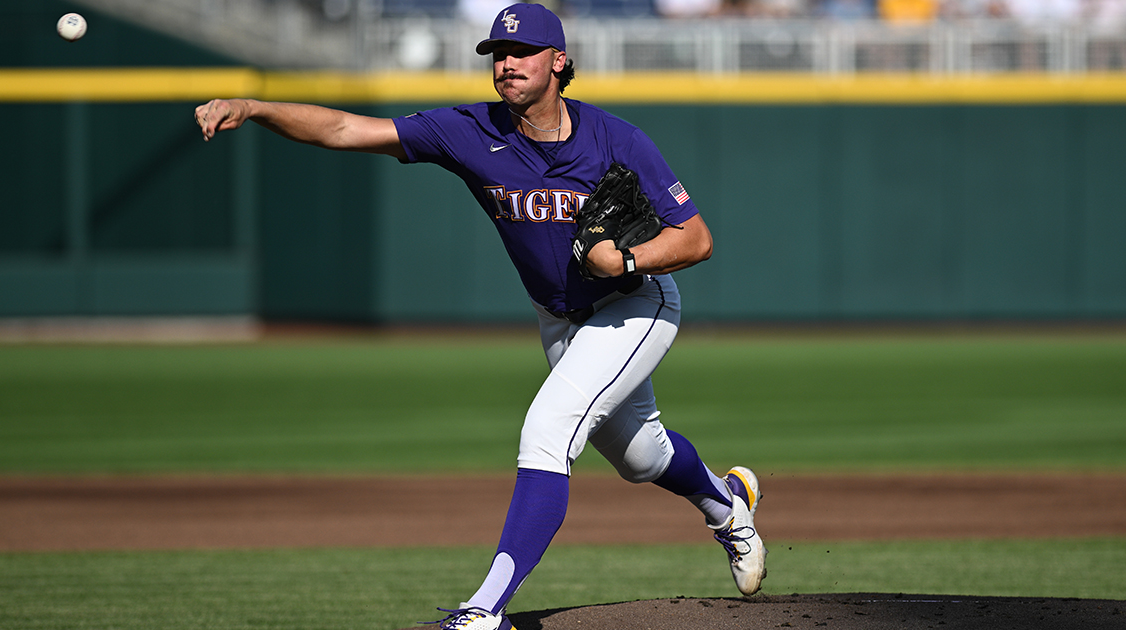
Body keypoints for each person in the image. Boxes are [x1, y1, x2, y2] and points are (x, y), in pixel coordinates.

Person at [195, 4, 766, 629]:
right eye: (497, 53)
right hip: (560, 316)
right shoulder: (468, 130)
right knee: (640, 458)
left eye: (520, 53)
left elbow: (696, 238)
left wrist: (625, 260)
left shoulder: (616, 140)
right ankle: (728, 502)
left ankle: (484, 609)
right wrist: (254, 108)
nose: (506, 63)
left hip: (635, 303)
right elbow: (344, 130)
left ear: (559, 62)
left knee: (547, 430)